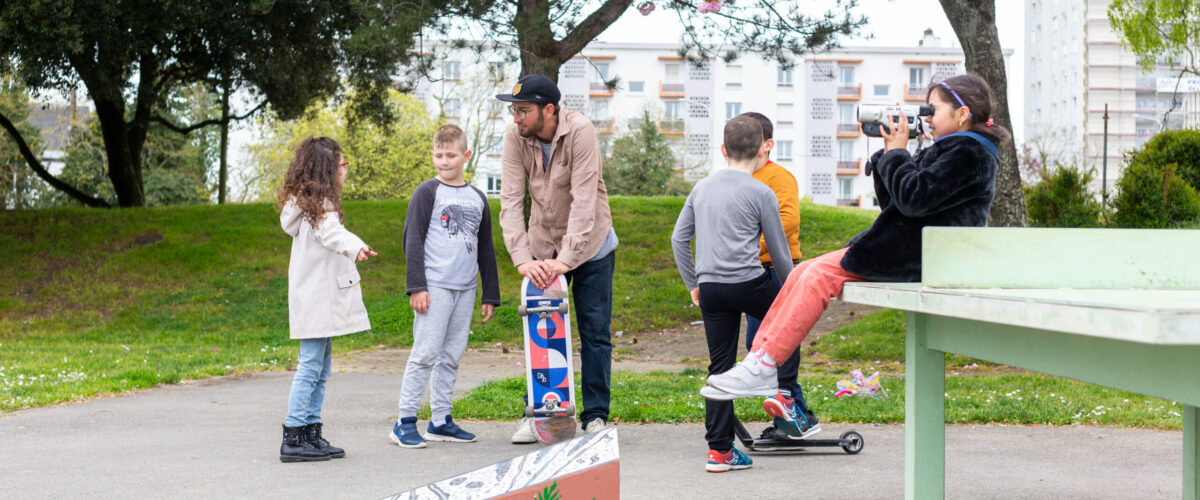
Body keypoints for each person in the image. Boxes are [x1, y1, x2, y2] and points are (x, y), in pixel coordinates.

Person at [703, 74, 1009, 435]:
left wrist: (897, 153)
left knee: (816, 276)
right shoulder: (953, 147)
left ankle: (765, 363)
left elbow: (914, 199)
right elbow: (896, 203)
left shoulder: (970, 151)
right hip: (907, 249)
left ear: (962, 114)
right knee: (805, 271)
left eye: (933, 108)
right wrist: (887, 156)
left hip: (923, 255)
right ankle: (761, 363)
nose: (925, 116)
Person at [494, 74, 619, 443]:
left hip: (591, 244)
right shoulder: (514, 137)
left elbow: (585, 202)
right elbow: (511, 202)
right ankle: (538, 414)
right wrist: (521, 259)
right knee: (540, 329)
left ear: (548, 110)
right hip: (542, 245)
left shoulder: (581, 131)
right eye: (514, 110)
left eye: (523, 110)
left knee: (594, 332)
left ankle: (595, 416)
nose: (516, 117)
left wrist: (566, 260)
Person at [671, 115, 795, 472]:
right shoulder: (762, 191)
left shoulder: (701, 188)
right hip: (750, 284)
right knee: (791, 321)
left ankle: (719, 452)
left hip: (711, 290)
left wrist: (693, 282)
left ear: (723, 149)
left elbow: (678, 238)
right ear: (760, 151)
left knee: (720, 368)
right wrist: (790, 294)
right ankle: (782, 394)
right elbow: (779, 251)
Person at [390, 124, 501, 449]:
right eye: (438, 155)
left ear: (465, 156)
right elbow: (412, 239)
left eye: (451, 155)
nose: (444, 161)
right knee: (425, 352)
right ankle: (404, 421)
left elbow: (486, 248)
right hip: (433, 286)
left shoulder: (478, 197)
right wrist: (416, 286)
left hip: (464, 289)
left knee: (451, 354)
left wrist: (489, 293)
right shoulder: (427, 192)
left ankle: (440, 420)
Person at [277, 137, 377, 463]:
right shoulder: (321, 208)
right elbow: (332, 234)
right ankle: (294, 435)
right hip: (318, 302)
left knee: (319, 368)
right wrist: (356, 247)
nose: (345, 170)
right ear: (329, 170)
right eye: (342, 165)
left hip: (315, 301)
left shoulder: (307, 207)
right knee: (311, 368)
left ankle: (310, 432)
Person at [738, 111, 820, 440]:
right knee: (758, 345)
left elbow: (787, 220)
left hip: (776, 270)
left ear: (767, 145)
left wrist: (748, 246)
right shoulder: (737, 178)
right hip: (749, 270)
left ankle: (797, 412)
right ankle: (792, 414)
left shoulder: (779, 177)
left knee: (774, 345)